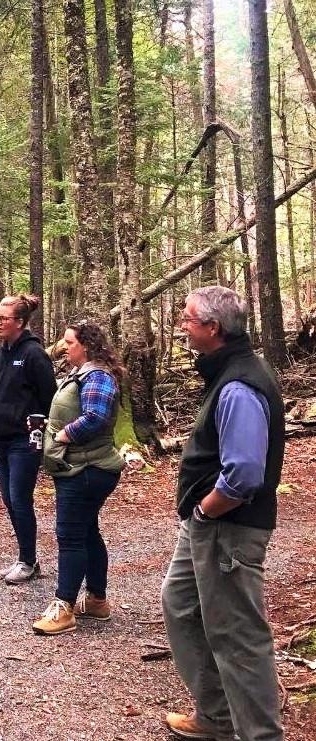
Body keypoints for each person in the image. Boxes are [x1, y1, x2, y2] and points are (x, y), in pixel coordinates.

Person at [161, 287, 285, 741]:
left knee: (238, 637)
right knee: (181, 605)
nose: (181, 325)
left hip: (227, 528)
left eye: (188, 319)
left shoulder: (239, 384)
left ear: (213, 329)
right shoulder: (225, 373)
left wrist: (207, 511)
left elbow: (245, 473)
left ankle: (260, 735)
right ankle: (216, 717)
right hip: (206, 525)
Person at [32, 321, 125, 635]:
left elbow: (96, 417)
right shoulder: (82, 373)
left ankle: (64, 607)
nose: (64, 346)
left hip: (88, 469)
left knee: (70, 535)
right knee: (86, 532)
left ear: (86, 345)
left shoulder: (97, 375)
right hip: (81, 467)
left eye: (70, 342)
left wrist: (62, 435)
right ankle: (97, 600)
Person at [0, 293, 58, 584]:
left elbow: (49, 397)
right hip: (0, 440)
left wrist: (40, 430)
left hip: (24, 441)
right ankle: (25, 558)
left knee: (20, 499)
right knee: (9, 499)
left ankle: (28, 561)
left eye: (4, 318)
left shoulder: (34, 355)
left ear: (20, 322)